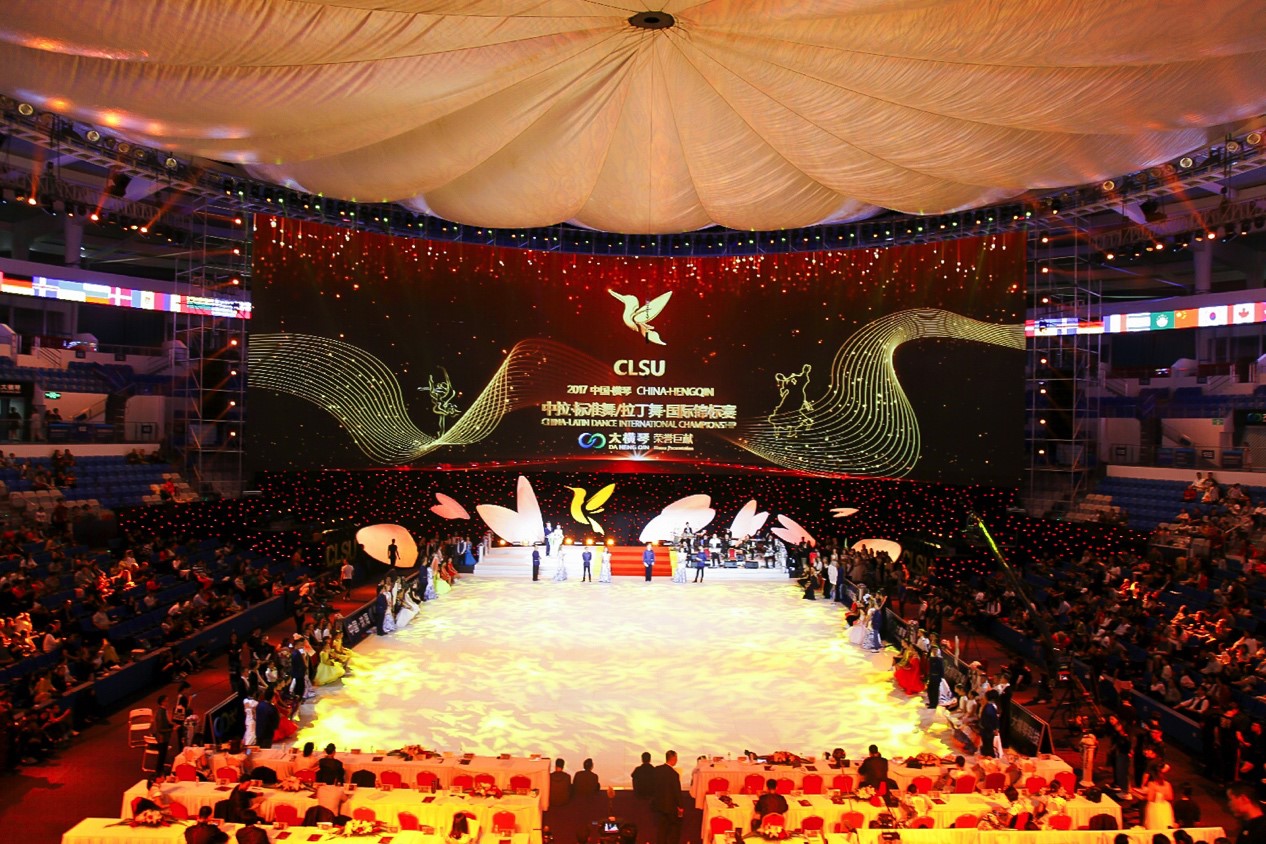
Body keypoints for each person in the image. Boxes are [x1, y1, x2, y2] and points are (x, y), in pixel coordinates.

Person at [651, 750, 683, 844]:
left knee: (661, 827)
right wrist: (680, 805)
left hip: (659, 804)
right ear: (673, 759)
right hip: (670, 805)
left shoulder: (657, 770)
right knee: (673, 828)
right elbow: (676, 791)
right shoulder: (674, 774)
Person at [1143, 764, 1175, 830]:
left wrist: (1160, 795)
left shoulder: (1164, 784)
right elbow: (1170, 797)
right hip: (1160, 807)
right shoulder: (1154, 784)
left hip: (1160, 808)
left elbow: (1151, 798)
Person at [979, 689, 1001, 758]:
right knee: (988, 746)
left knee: (988, 746)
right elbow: (991, 720)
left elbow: (992, 720)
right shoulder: (990, 707)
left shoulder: (989, 707)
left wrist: (995, 729)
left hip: (988, 731)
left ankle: (989, 759)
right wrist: (995, 729)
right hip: (988, 730)